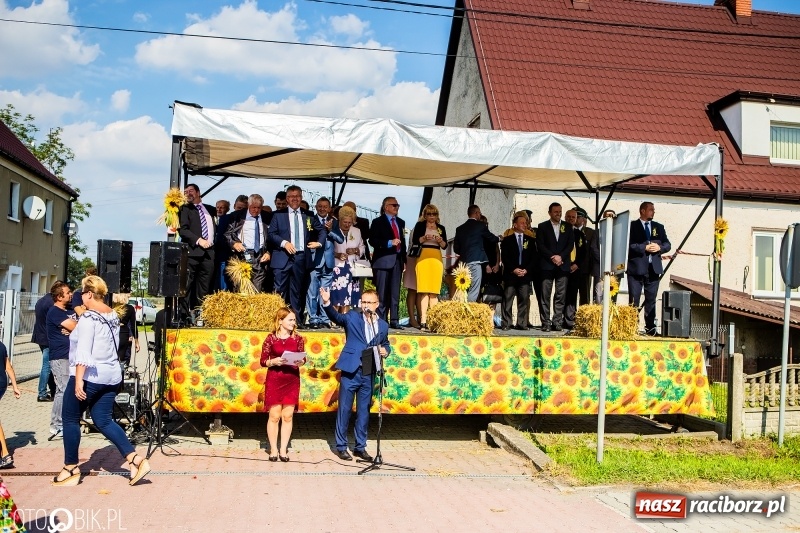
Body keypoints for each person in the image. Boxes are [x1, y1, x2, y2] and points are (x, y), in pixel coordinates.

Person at [54, 275, 150, 487]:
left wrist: (78, 381)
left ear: (89, 294)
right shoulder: (113, 315)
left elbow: (84, 351)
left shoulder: (89, 318)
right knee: (103, 419)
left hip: (91, 375)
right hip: (111, 374)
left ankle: (70, 467)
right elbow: (111, 343)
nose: (79, 299)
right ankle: (135, 460)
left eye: (81, 295)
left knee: (70, 418)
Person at [320, 287, 390, 461]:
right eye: (363, 301)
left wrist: (385, 350)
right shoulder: (352, 317)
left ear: (377, 304)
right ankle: (341, 446)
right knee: (344, 409)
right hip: (351, 369)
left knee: (364, 411)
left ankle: (360, 447)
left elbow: (386, 343)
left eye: (369, 302)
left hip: (369, 369)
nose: (366, 305)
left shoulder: (382, 325)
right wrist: (328, 303)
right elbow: (336, 317)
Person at [268, 185, 326, 323]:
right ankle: (278, 321)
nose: (295, 199)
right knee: (279, 290)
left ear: (301, 198)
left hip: (300, 258)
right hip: (282, 257)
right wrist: (284, 243)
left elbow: (322, 230)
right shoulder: (278, 215)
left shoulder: (309, 215)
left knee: (298, 291)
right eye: (292, 197)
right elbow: (271, 234)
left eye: (297, 196)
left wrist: (319, 243)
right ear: (287, 199)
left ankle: (297, 322)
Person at [260, 307, 306, 462]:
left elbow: (303, 357)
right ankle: (273, 449)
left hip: (292, 379)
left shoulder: (298, 338)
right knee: (274, 416)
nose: (294, 323)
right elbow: (263, 360)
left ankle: (283, 449)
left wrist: (301, 361)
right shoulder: (270, 338)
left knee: (287, 416)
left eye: (294, 320)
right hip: (275, 378)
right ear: (280, 321)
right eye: (290, 320)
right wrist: (273, 361)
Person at [627, 202, 671, 335]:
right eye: (651, 210)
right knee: (634, 299)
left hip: (653, 269)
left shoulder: (658, 227)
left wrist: (660, 248)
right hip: (636, 269)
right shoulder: (632, 226)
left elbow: (667, 244)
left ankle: (650, 328)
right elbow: (628, 245)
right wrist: (643, 247)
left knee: (651, 299)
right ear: (642, 211)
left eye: (654, 210)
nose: (653, 212)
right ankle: (632, 327)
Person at [179, 183, 216, 318]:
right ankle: (184, 315)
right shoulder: (185, 209)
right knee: (187, 284)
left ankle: (202, 314)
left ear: (198, 192)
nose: (188, 193)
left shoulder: (210, 210)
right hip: (193, 251)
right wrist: (199, 240)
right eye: (186, 191)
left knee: (205, 286)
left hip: (209, 253)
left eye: (191, 191)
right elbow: (183, 230)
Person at [307, 197, 344, 328]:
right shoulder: (310, 220)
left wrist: (330, 231)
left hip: (328, 262)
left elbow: (340, 239)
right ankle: (313, 318)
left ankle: (324, 318)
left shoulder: (333, 221)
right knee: (312, 292)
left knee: (325, 292)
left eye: (325, 207)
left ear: (329, 209)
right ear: (316, 207)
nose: (322, 209)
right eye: (320, 206)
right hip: (314, 260)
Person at [369, 197, 406, 328]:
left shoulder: (401, 222)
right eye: (394, 205)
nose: (397, 207)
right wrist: (389, 243)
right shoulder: (377, 222)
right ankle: (381, 320)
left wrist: (404, 260)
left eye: (398, 205)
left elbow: (403, 243)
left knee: (395, 292)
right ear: (386, 207)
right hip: (383, 261)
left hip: (397, 260)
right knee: (382, 292)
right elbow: (372, 240)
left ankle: (394, 320)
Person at [536, 202, 574, 332]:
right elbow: (540, 245)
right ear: (550, 213)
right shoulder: (542, 226)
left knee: (560, 295)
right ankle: (545, 322)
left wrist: (560, 257)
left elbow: (570, 245)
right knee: (545, 295)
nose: (558, 214)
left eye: (560, 211)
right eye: (556, 212)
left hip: (562, 266)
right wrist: (552, 257)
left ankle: (557, 321)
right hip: (547, 265)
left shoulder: (568, 227)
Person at [46, 281, 78, 437]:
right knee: (63, 389)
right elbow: (76, 327)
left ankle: (68, 420)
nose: (70, 294)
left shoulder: (70, 310)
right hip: (60, 357)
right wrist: (74, 327)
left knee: (71, 389)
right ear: (59, 297)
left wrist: (74, 326)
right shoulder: (54, 312)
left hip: (73, 356)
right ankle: (56, 425)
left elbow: (79, 324)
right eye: (67, 292)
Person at [453, 205, 500, 303]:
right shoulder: (480, 226)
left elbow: (456, 249)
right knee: (474, 289)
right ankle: (469, 311)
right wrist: (500, 238)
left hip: (463, 263)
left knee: (463, 288)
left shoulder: (459, 228)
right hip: (475, 262)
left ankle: (460, 309)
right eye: (480, 213)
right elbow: (491, 238)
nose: (480, 215)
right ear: (476, 213)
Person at [226, 194, 272, 292]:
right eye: (253, 207)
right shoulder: (237, 216)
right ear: (248, 205)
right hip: (242, 255)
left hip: (260, 256)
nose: (256, 210)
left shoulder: (267, 217)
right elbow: (227, 234)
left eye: (259, 208)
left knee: (257, 288)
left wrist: (269, 252)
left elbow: (272, 237)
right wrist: (234, 243)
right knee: (241, 288)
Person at [412, 204, 447, 329]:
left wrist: (439, 240)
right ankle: (423, 320)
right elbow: (415, 240)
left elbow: (445, 245)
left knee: (434, 292)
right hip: (423, 257)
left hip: (436, 257)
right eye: (429, 214)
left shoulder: (441, 228)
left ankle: (434, 320)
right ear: (425, 215)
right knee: (424, 290)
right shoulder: (420, 226)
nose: (432, 217)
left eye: (434, 214)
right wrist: (424, 237)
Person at [500, 213, 537, 331]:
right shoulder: (507, 240)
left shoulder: (530, 240)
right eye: (522, 223)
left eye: (525, 223)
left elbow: (534, 257)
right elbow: (504, 257)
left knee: (524, 298)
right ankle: (507, 323)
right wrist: (514, 269)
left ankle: (522, 323)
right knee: (508, 298)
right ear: (515, 225)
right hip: (511, 274)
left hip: (525, 274)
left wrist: (526, 270)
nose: (524, 225)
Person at [330, 206, 365, 313]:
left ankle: (345, 318)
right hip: (337, 268)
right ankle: (334, 319)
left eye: (350, 222)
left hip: (352, 268)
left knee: (348, 296)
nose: (347, 225)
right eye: (345, 222)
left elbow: (362, 247)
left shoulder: (357, 231)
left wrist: (355, 250)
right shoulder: (333, 230)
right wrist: (337, 254)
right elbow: (327, 249)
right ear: (339, 220)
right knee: (337, 295)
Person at [215, 194, 248, 291]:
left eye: (243, 208)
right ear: (234, 206)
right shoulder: (226, 218)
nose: (240, 211)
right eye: (238, 208)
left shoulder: (248, 220)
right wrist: (233, 245)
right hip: (226, 257)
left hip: (243, 258)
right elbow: (220, 238)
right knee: (225, 286)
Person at [563, 209, 587, 331]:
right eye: (569, 217)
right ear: (565, 217)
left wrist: (577, 264)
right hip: (562, 267)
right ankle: (559, 320)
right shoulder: (560, 231)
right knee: (561, 295)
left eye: (574, 217)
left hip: (575, 269)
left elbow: (583, 252)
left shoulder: (579, 234)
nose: (571, 219)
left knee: (572, 295)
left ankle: (570, 320)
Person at [0, 341, 21, 469]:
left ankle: (5, 454)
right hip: (2, 384)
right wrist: (15, 386)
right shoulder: (1, 345)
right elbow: (8, 367)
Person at [33, 289, 56, 402]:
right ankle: (42, 393)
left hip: (40, 337)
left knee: (49, 366)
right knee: (47, 366)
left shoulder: (41, 301)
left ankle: (53, 390)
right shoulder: (52, 303)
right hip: (48, 338)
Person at [402, 219, 422, 329]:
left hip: (422, 260)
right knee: (413, 289)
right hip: (414, 258)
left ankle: (420, 317)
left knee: (421, 290)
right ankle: (412, 318)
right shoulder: (418, 228)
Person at [111, 293, 139, 367]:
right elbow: (133, 326)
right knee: (120, 359)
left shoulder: (110, 306)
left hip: (111, 331)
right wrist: (136, 341)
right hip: (123, 333)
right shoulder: (129, 308)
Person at [575, 208, 595, 305]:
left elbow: (591, 252)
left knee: (584, 296)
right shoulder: (569, 231)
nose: (576, 219)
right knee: (570, 296)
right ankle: (569, 318)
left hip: (585, 270)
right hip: (571, 269)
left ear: (583, 219)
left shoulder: (590, 232)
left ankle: (583, 319)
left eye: (578, 217)